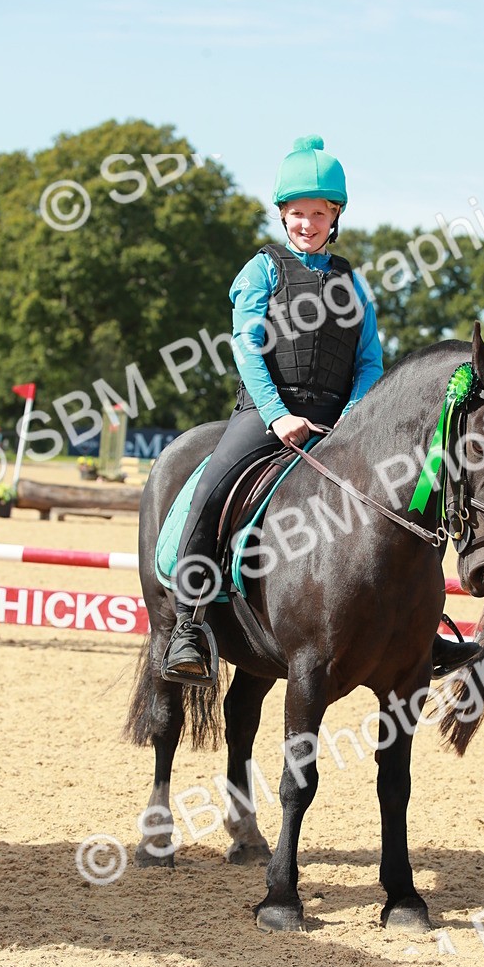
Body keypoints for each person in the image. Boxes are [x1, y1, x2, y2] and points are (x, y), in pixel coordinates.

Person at [161, 134, 385, 684]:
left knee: (402, 495)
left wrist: (353, 417)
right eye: (297, 213)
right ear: (283, 214)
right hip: (266, 417)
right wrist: (276, 413)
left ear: (335, 216)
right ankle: (188, 623)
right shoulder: (261, 270)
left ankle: (413, 625)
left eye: (318, 213)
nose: (307, 223)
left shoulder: (354, 284)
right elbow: (247, 346)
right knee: (212, 489)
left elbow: (370, 360)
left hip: (337, 424)